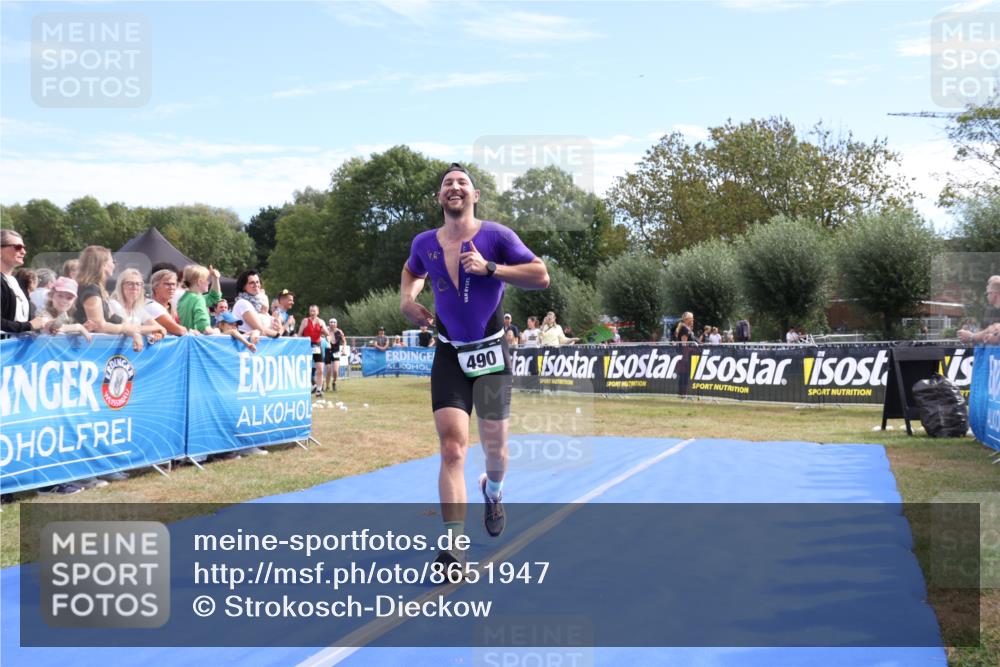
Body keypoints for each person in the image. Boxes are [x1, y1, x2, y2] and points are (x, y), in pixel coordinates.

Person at [400, 162, 549, 572]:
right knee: (452, 448)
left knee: (495, 449)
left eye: (462, 182)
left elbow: (541, 275)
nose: (454, 187)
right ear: (439, 197)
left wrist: (491, 269)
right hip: (449, 352)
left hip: (490, 354)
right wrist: (407, 299)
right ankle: (453, 548)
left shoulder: (497, 236)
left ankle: (494, 491)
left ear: (475, 195)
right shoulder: (425, 242)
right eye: (447, 183)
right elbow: (412, 271)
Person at [74, 246, 144, 352]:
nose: (114, 264)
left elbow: (108, 319)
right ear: (103, 264)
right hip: (87, 350)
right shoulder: (90, 289)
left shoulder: (93, 288)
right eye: (113, 261)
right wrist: (125, 328)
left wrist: (132, 330)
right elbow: (99, 325)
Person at [0, 230, 46, 336]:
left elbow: (25, 320)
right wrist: (29, 326)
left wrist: (45, 324)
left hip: (17, 349)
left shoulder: (18, 283)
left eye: (24, 247)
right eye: (18, 247)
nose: (23, 252)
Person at [109, 269, 166, 342]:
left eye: (138, 284)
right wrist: (157, 328)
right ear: (121, 286)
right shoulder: (113, 304)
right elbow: (129, 328)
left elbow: (162, 329)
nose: (135, 287)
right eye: (130, 283)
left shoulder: (138, 309)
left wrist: (159, 335)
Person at [37, 277, 92, 342]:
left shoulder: (66, 316)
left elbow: (63, 331)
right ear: (51, 296)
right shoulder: (41, 312)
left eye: (69, 298)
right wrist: (78, 327)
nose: (64, 301)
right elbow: (53, 328)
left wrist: (83, 328)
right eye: (60, 296)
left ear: (73, 301)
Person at [233, 270, 281, 341]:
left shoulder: (260, 306)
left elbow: (270, 327)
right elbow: (260, 329)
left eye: (257, 282)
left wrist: (278, 326)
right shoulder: (242, 303)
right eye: (251, 283)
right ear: (243, 287)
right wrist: (278, 334)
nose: (256, 285)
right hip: (245, 346)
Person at [146, 269, 195, 337]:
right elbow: (179, 330)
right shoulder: (152, 306)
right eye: (167, 284)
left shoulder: (169, 306)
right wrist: (190, 331)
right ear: (155, 287)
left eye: (173, 284)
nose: (171, 288)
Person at [177, 264, 222, 334]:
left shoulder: (184, 298)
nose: (208, 282)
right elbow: (204, 328)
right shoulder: (198, 299)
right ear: (199, 282)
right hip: (196, 342)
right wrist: (217, 331)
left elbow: (214, 297)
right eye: (207, 279)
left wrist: (215, 278)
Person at [958, 275, 1000, 345]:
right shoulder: (989, 310)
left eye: (987, 293)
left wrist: (971, 337)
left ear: (994, 294)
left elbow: (996, 328)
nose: (986, 296)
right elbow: (988, 330)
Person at [298, 304, 329, 395]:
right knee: (305, 368)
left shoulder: (321, 321)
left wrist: (323, 329)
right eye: (311, 311)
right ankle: (306, 387)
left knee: (320, 369)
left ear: (317, 312)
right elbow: (299, 334)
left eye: (314, 311)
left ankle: (319, 390)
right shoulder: (305, 321)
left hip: (317, 345)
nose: (312, 313)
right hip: (306, 345)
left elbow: (327, 334)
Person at [674, 312, 696, 398]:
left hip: (688, 354)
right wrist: (685, 355)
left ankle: (683, 393)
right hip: (685, 355)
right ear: (686, 319)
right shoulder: (684, 329)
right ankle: (682, 393)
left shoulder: (687, 329)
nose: (693, 319)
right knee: (683, 374)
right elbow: (684, 343)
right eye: (691, 318)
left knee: (686, 374)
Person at [326, 318, 346, 391]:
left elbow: (344, 341)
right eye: (331, 322)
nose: (332, 323)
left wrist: (344, 349)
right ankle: (327, 386)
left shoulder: (339, 332)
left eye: (334, 322)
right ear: (329, 323)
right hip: (327, 351)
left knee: (335, 370)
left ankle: (334, 382)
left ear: (336, 324)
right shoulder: (326, 330)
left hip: (336, 352)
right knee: (328, 370)